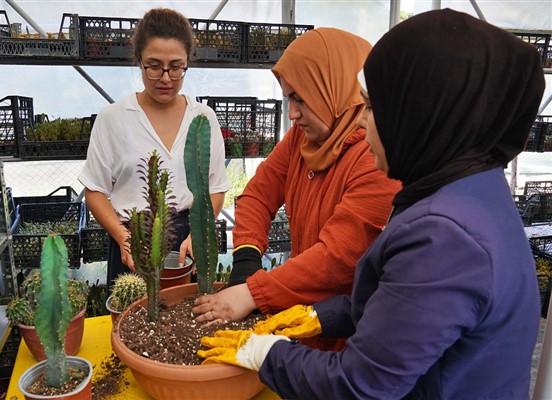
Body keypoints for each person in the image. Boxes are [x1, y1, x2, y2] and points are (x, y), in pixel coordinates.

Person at [197, 9, 545, 399]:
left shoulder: (445, 237)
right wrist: (319, 316)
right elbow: (398, 303)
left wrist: (265, 354)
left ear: (419, 115)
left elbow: (361, 384)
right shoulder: (470, 186)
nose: (361, 122)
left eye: (374, 107)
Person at [193, 27, 401, 351]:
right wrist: (247, 257)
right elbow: (258, 195)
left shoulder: (376, 158)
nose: (291, 113)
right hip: (303, 321)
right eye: (288, 97)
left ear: (334, 89)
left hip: (350, 340)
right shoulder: (303, 139)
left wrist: (253, 293)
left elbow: (336, 260)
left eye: (300, 98)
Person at [78, 8, 231, 290]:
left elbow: (216, 187)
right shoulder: (113, 117)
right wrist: (125, 239)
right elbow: (95, 191)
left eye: (176, 66)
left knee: (188, 324)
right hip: (132, 238)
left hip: (188, 237)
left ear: (188, 62)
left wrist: (198, 235)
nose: (165, 77)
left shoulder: (203, 118)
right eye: (154, 65)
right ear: (138, 61)